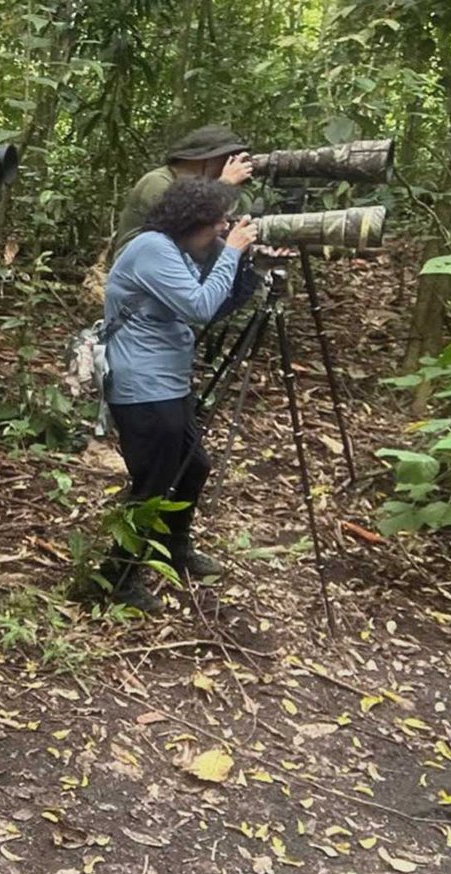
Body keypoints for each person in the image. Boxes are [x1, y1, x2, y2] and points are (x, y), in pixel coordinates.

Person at [98, 179, 258, 612]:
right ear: (193, 222)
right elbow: (199, 307)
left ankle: (173, 549)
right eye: (218, 224)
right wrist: (232, 252)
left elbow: (215, 303)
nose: (223, 231)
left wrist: (246, 269)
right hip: (142, 386)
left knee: (193, 468)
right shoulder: (152, 248)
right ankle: (117, 576)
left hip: (167, 381)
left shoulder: (178, 252)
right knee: (152, 482)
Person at [109, 124, 254, 263]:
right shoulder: (156, 181)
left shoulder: (202, 189)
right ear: (209, 158)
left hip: (177, 263)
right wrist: (225, 183)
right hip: (137, 265)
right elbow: (183, 224)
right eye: (225, 161)